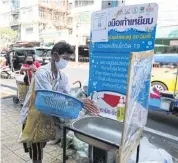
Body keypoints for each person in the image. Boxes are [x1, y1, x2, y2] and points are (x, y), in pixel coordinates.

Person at [20, 42, 99, 163]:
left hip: (46, 117)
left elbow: (68, 96)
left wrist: (83, 105)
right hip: (33, 116)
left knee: (41, 145)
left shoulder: (62, 77)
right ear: (55, 56)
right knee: (36, 153)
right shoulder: (42, 73)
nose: (66, 62)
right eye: (65, 58)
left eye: (69, 59)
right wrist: (78, 101)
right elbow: (49, 98)